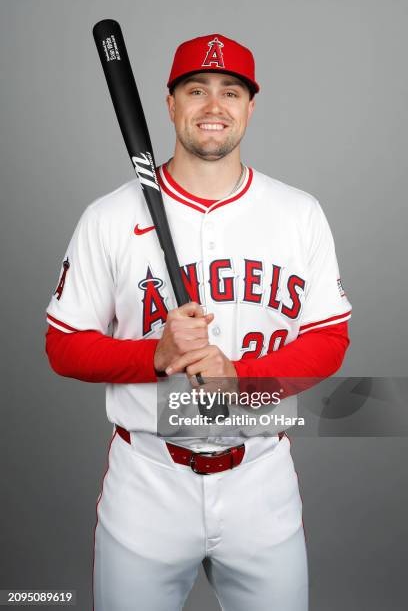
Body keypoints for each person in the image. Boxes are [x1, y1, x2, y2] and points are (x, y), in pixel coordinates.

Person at [45, 33, 352, 611]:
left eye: (230, 92)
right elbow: (62, 347)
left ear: (249, 107)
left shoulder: (298, 213)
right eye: (197, 90)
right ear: (170, 104)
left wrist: (243, 381)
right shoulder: (109, 217)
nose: (214, 107)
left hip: (261, 478)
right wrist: (153, 356)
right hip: (146, 482)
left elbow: (329, 340)